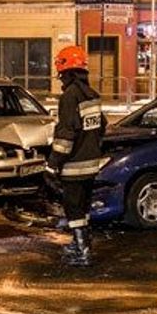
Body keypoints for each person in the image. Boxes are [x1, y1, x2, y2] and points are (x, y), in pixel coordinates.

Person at [46, 45, 107, 267]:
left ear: (66, 71)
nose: (60, 78)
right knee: (83, 207)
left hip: (74, 166)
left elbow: (66, 135)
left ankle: (81, 251)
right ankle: (83, 243)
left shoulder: (70, 96)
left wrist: (52, 164)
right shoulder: (92, 95)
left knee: (73, 207)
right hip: (91, 165)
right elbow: (101, 127)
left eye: (61, 74)